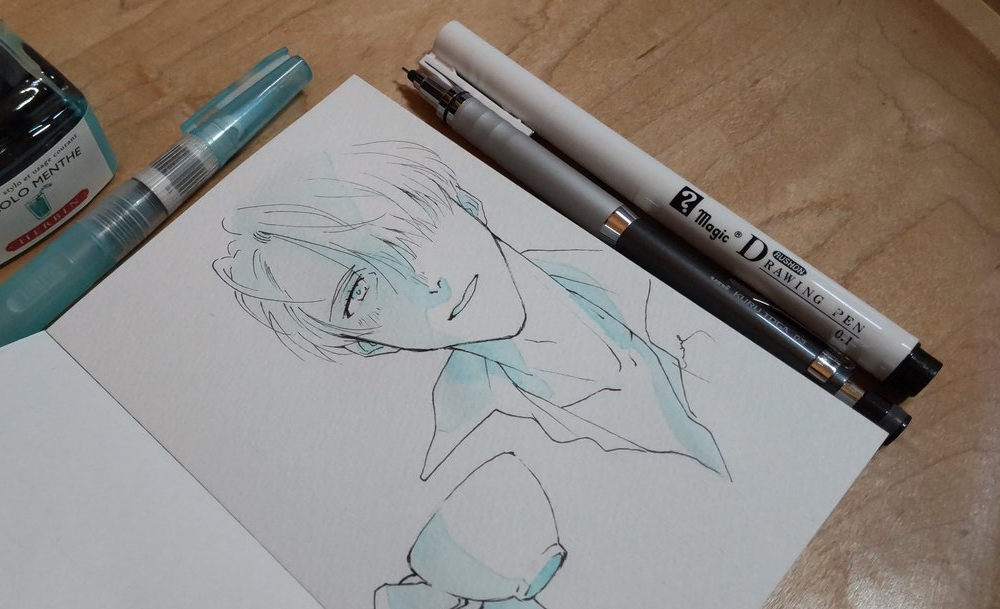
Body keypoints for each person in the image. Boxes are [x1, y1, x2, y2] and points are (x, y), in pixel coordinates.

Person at [213, 140, 728, 480]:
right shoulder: (470, 452)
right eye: (358, 293)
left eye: (407, 227)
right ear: (367, 344)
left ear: (464, 201)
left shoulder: (668, 284)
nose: (427, 281)